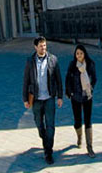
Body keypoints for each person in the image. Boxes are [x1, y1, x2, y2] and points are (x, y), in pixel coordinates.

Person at [22, 36, 63, 165]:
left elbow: (58, 79)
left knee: (50, 126)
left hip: (49, 98)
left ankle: (48, 152)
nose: (43, 48)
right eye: (41, 46)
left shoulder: (53, 59)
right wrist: (25, 99)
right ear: (35, 47)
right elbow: (26, 81)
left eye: (44, 45)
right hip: (36, 99)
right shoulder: (30, 61)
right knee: (40, 125)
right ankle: (46, 142)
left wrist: (60, 96)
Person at [65, 44, 97, 158]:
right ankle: (79, 137)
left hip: (87, 97)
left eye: (81, 53)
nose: (79, 55)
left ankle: (90, 147)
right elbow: (68, 79)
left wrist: (90, 88)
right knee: (77, 120)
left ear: (84, 54)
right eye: (77, 53)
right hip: (76, 98)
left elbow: (94, 78)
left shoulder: (90, 64)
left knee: (88, 121)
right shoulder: (72, 65)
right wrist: (69, 92)